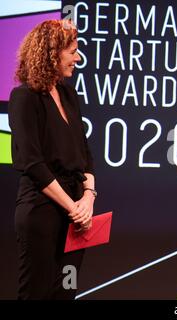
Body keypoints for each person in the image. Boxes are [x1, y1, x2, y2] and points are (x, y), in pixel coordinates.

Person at [8, 19, 96, 300]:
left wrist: (88, 198)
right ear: (51, 53)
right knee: (37, 293)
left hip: (77, 213)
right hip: (42, 209)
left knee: (65, 292)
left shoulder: (69, 94)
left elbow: (85, 154)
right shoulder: (24, 97)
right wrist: (73, 207)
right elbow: (32, 163)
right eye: (73, 51)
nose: (78, 57)